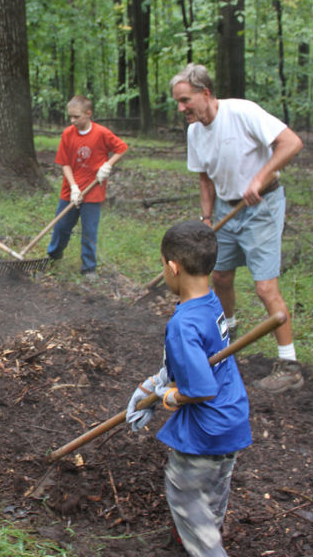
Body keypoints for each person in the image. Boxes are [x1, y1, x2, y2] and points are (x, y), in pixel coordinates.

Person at [170, 63, 304, 394]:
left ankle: (289, 365)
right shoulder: (194, 132)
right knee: (220, 277)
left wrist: (260, 177)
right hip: (224, 210)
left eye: (186, 100)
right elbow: (204, 178)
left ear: (205, 93)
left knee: (264, 289)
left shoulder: (242, 112)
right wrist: (205, 221)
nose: (181, 108)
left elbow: (292, 143)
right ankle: (226, 340)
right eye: (178, 102)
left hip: (261, 208)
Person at [126, 220, 252, 557]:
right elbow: (197, 360)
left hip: (206, 428)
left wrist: (168, 397)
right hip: (232, 417)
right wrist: (153, 383)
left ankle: (207, 549)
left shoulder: (182, 324)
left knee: (185, 494)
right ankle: (195, 540)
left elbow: (199, 387)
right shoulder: (211, 304)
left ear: (172, 267)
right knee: (211, 495)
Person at [45, 95, 128, 279]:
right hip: (70, 191)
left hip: (93, 192)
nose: (72, 121)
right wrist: (74, 187)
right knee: (61, 226)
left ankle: (89, 268)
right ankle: (53, 257)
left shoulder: (102, 133)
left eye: (76, 117)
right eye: (70, 117)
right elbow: (64, 163)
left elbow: (121, 148)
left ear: (88, 114)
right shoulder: (68, 134)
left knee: (89, 230)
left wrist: (107, 165)